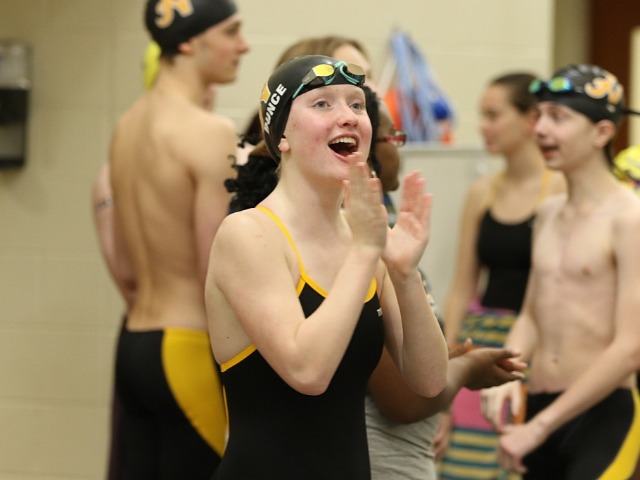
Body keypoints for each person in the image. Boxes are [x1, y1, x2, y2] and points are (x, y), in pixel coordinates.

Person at [205, 54, 449, 479]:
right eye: (322, 104)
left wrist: (404, 273)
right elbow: (307, 371)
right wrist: (365, 252)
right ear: (281, 136)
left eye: (357, 105)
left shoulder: (364, 237)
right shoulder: (248, 234)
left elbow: (429, 380)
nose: (348, 116)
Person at [107, 0, 249, 477]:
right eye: (231, 32)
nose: (244, 45)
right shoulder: (210, 131)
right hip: (186, 349)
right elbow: (216, 267)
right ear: (188, 42)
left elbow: (125, 266)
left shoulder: (126, 127)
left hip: (134, 345)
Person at [481, 64, 640, 479]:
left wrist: (539, 429)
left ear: (602, 133)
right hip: (538, 405)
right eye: (539, 116)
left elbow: (631, 347)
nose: (540, 130)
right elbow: (533, 315)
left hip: (601, 416)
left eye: (559, 118)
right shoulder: (549, 213)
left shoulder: (630, 219)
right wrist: (508, 374)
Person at [437, 72, 565, 480]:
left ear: (531, 119)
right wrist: (445, 363)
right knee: (466, 466)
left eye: (494, 115)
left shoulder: (559, 190)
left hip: (537, 343)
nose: (484, 127)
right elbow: (462, 286)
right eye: (482, 116)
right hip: (482, 340)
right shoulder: (483, 192)